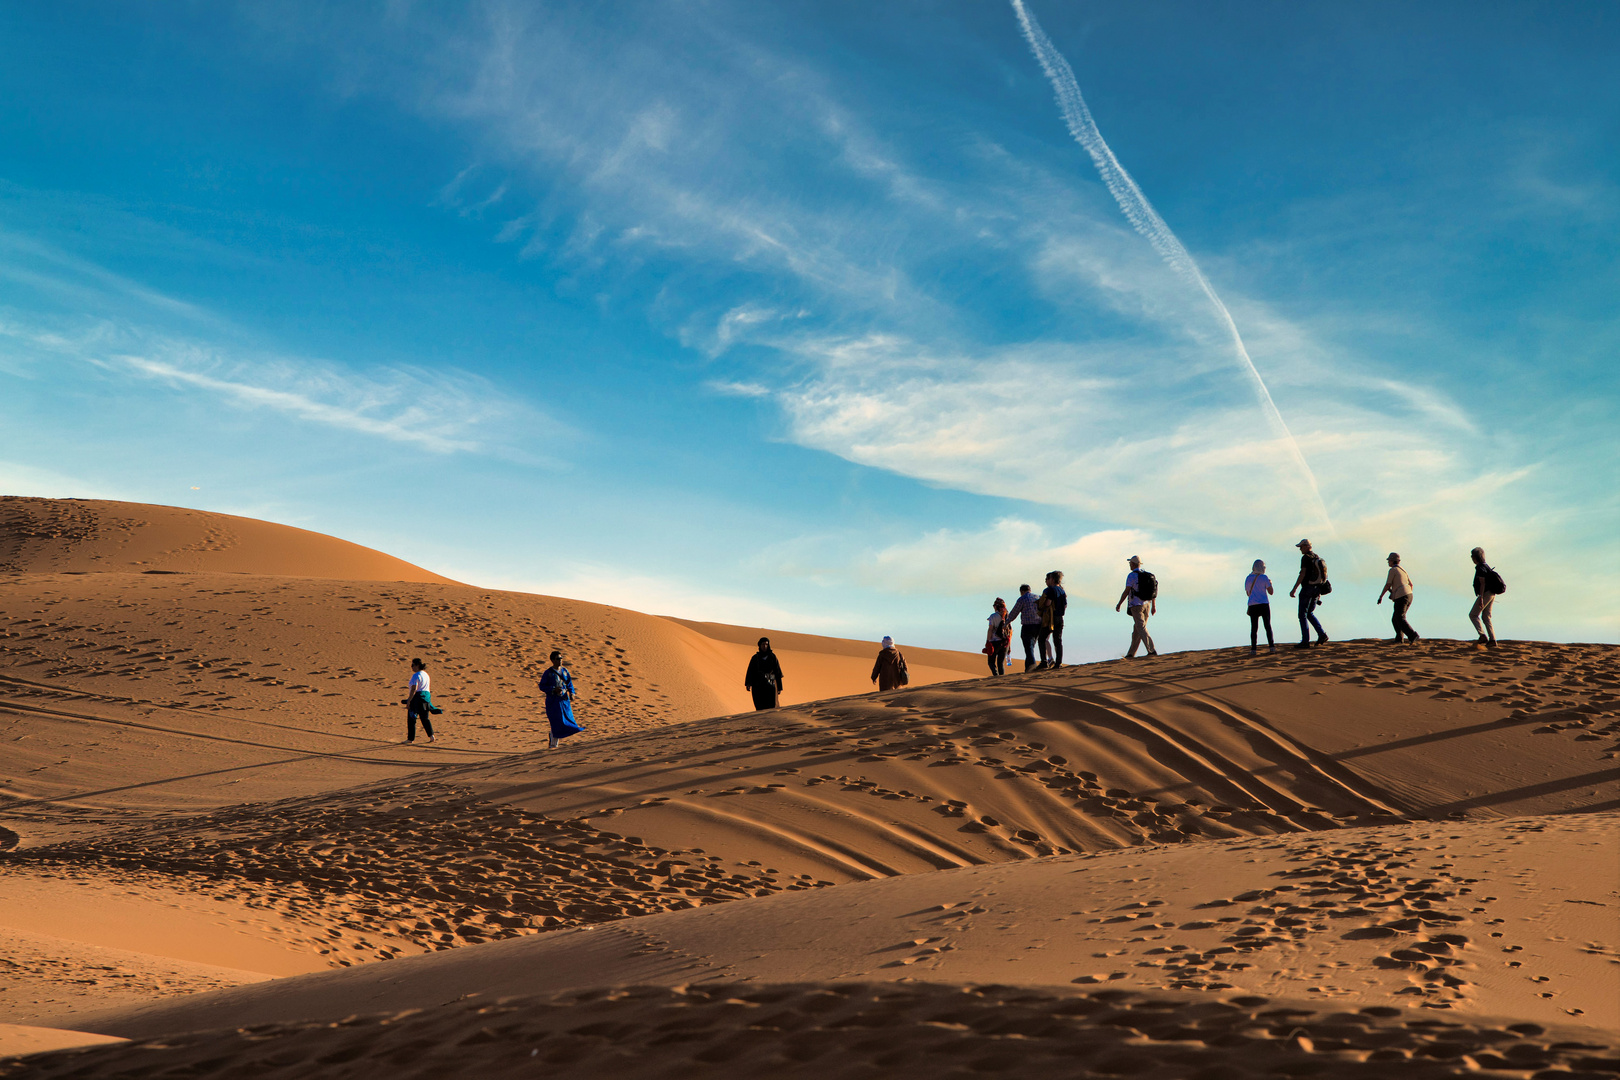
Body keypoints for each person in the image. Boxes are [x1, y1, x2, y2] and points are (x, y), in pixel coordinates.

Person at [1287, 538, 1330, 648]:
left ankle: (1305, 641)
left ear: (1306, 546)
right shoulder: (1316, 557)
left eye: (1301, 547)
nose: (1300, 549)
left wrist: (1294, 589)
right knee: (1309, 613)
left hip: (1307, 588)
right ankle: (1322, 634)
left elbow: (1302, 573)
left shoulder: (1306, 558)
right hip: (1317, 589)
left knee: (1302, 614)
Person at [538, 650, 584, 749]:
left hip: (564, 700)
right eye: (558, 659)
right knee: (556, 721)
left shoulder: (564, 671)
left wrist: (572, 693)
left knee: (567, 719)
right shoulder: (548, 673)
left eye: (561, 658)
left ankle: (555, 741)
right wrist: (553, 689)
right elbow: (542, 686)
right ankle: (553, 744)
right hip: (553, 701)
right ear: (552, 660)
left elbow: (569, 683)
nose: (560, 661)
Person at [1114, 555, 1158, 658]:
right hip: (1147, 604)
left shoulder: (1132, 576)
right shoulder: (1147, 575)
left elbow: (1126, 591)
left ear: (1133, 564)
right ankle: (1131, 654)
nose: (1129, 565)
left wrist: (1119, 604)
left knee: (1141, 628)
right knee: (1137, 630)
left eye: (1130, 563)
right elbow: (1153, 592)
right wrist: (1153, 606)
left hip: (1136, 605)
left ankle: (1152, 650)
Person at [1376, 552, 1419, 643]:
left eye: (1389, 560)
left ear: (1392, 561)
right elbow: (1411, 584)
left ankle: (1412, 635)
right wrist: (1404, 592)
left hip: (1402, 596)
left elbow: (1388, 584)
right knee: (1396, 618)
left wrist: (1381, 596)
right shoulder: (1403, 570)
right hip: (1409, 595)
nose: (1388, 562)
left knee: (1399, 618)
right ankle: (1399, 639)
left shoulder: (1393, 570)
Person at [1007, 584, 1042, 672]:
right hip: (1039, 625)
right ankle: (1028, 668)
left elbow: (1014, 612)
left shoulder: (1022, 599)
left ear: (1022, 591)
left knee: (1028, 647)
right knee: (1031, 647)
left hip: (1027, 626)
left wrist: (1006, 623)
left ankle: (1032, 665)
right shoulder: (1038, 597)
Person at [1470, 547, 1500, 647]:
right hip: (1492, 594)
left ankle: (1482, 635)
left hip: (1486, 594)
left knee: (1473, 615)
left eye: (1472, 556)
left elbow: (1482, 583)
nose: (1471, 558)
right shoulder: (1486, 566)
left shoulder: (1480, 568)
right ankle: (1493, 640)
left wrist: (1481, 598)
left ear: (1475, 558)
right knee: (1486, 617)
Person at [1038, 571, 1068, 670]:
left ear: (1052, 579)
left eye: (1048, 579)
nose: (1046, 581)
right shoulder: (1062, 591)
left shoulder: (1050, 590)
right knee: (1058, 641)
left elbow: (1047, 603)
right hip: (1060, 618)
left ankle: (1044, 662)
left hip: (1050, 618)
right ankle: (1058, 663)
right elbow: (1065, 605)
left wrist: (1041, 605)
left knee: (1042, 638)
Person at [1244, 560, 1275, 654]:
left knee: (1254, 627)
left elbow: (1248, 593)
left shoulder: (1248, 578)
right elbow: (1271, 592)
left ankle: (1253, 649)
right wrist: (1270, 583)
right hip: (1264, 604)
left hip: (1253, 604)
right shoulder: (1264, 577)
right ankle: (1271, 647)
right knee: (1267, 626)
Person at [403, 657, 437, 744]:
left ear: (417, 665)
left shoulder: (416, 675)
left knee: (411, 719)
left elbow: (414, 689)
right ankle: (431, 736)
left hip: (417, 699)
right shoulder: (426, 674)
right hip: (426, 698)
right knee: (425, 718)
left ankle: (410, 739)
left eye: (413, 665)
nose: (412, 667)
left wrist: (409, 701)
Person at [744, 637, 784, 710]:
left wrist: (779, 687)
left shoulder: (772, 657)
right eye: (763, 644)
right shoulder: (755, 658)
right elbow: (750, 671)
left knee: (772, 705)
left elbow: (777, 672)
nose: (765, 646)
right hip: (758, 684)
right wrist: (748, 683)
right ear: (759, 645)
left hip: (771, 682)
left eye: (766, 644)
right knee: (759, 705)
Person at [984, 598, 1012, 676]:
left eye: (994, 606)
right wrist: (1009, 646)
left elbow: (990, 629)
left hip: (994, 642)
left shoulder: (993, 616)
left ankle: (996, 677)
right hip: (1005, 643)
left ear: (996, 606)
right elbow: (1010, 632)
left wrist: (988, 641)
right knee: (1000, 663)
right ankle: (1001, 678)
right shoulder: (1007, 616)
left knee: (991, 662)